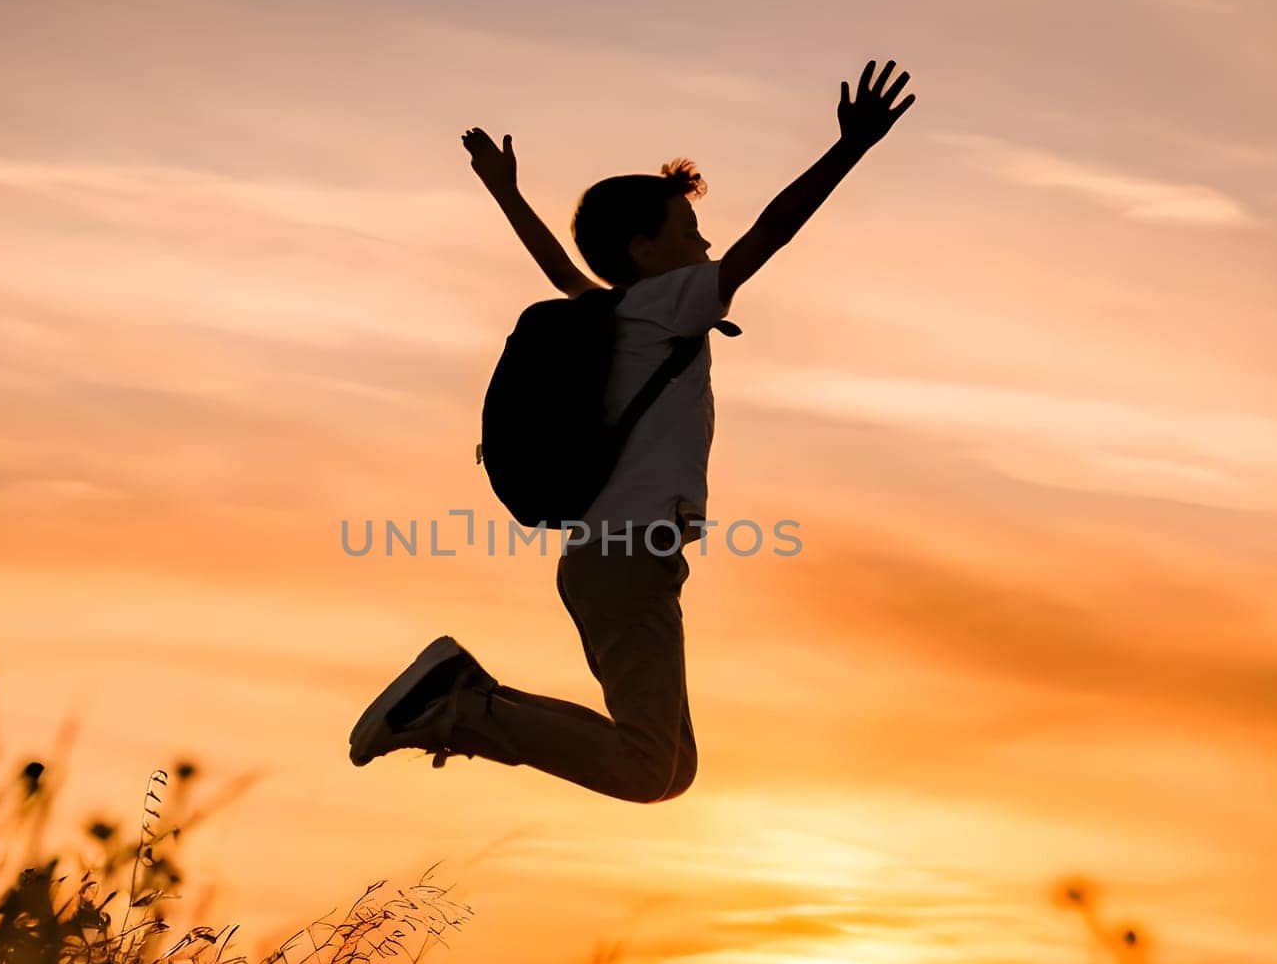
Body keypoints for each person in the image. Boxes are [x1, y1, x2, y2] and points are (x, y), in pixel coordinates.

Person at [348, 59, 915, 801]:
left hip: (627, 560)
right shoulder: (671, 303)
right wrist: (851, 147)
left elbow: (559, 268)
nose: (709, 247)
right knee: (650, 770)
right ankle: (461, 706)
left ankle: (463, 698)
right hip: (626, 557)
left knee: (670, 768)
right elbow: (770, 234)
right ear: (646, 254)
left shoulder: (623, 317)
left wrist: (505, 192)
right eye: (691, 231)